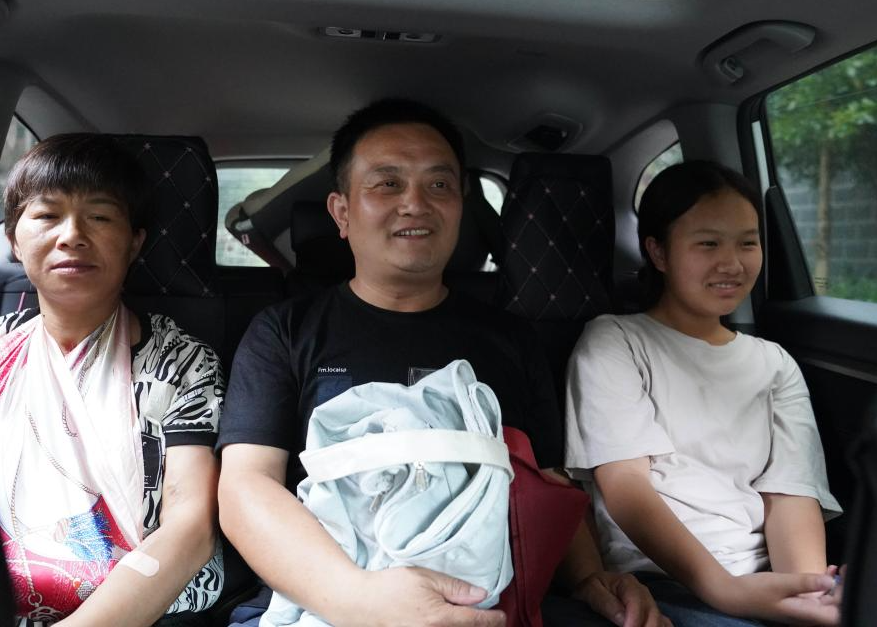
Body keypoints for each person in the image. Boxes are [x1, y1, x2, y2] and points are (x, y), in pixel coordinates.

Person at [217, 98, 668, 627]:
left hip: (486, 600)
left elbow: (546, 485)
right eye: (387, 183)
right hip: (325, 597)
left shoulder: (511, 338)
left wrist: (592, 578)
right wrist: (360, 601)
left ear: (459, 206)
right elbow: (247, 488)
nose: (415, 203)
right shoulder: (283, 332)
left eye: (438, 184)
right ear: (341, 212)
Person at [0, 134, 224, 626]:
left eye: (99, 217)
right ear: (14, 240)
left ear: (134, 241)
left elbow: (190, 527)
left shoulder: (181, 363)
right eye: (47, 215)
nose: (72, 235)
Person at [565, 160, 844, 626]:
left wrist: (807, 593)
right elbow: (626, 486)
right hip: (665, 581)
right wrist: (725, 590)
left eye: (747, 243)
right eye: (708, 243)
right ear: (658, 252)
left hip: (761, 579)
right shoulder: (615, 341)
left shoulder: (775, 363)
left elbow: (790, 494)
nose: (732, 264)